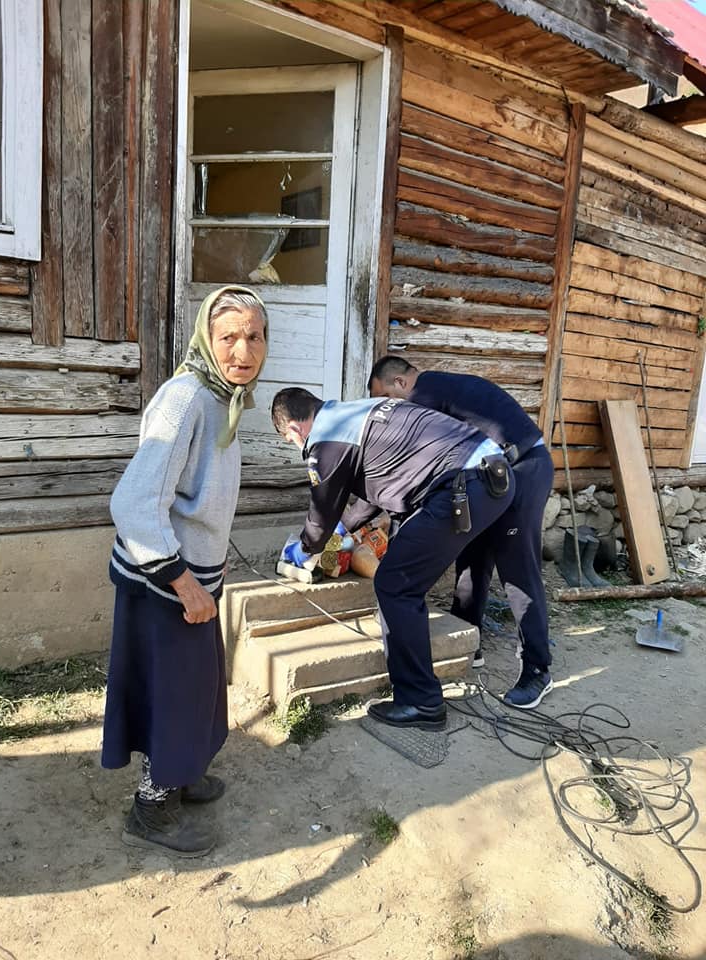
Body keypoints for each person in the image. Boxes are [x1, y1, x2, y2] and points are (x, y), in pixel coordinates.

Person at [102, 285, 268, 857]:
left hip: (195, 576)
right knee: (171, 695)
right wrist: (183, 581)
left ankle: (183, 770)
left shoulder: (225, 396)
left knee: (199, 690)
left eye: (254, 337)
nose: (243, 351)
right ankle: (152, 808)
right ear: (206, 338)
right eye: (229, 337)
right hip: (164, 583)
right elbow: (133, 501)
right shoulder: (186, 398)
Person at [271, 387, 515, 731]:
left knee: (395, 584)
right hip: (493, 475)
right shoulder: (359, 413)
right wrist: (346, 525)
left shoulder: (325, 439)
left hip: (462, 486)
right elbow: (376, 487)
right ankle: (420, 665)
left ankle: (421, 702)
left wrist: (305, 548)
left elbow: (322, 510)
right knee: (406, 570)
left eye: (291, 441)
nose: (297, 446)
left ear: (295, 429)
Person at [368, 356, 554, 710]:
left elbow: (414, 470)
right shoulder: (440, 390)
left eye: (387, 398)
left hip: (523, 468)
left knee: (517, 570)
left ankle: (537, 668)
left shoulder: (424, 396)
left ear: (402, 383)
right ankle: (471, 639)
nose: (388, 410)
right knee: (471, 556)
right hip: (488, 476)